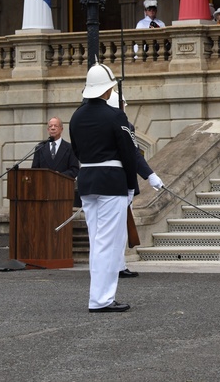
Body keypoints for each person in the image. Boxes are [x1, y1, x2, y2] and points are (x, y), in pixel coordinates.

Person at [69, 63, 138, 313]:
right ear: (106, 90)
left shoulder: (76, 116)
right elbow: (128, 154)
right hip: (111, 181)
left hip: (87, 180)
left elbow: (76, 150)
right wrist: (131, 185)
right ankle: (102, 299)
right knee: (108, 243)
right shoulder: (115, 116)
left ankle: (97, 296)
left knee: (97, 241)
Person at [106, 90, 164, 279]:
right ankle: (115, 266)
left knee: (115, 230)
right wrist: (149, 175)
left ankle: (118, 263)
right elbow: (133, 155)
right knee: (116, 231)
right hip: (118, 183)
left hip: (107, 184)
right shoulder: (123, 125)